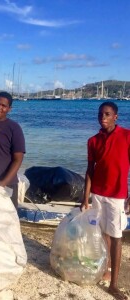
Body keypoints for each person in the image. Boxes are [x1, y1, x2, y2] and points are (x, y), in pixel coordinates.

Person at [81, 101, 129, 300]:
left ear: (115, 116)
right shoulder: (93, 141)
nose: (103, 117)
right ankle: (105, 268)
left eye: (107, 114)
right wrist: (86, 198)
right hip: (98, 194)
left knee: (117, 236)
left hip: (117, 196)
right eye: (100, 114)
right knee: (102, 235)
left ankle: (114, 285)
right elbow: (90, 170)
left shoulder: (127, 136)